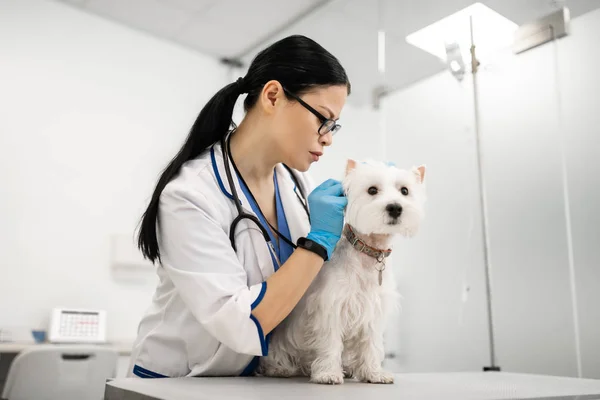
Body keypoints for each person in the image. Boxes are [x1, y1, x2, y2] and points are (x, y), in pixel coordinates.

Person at [128, 35, 351, 378]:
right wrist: (319, 241)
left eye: (333, 126)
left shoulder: (296, 185)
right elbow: (240, 320)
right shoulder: (190, 195)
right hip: (175, 383)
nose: (328, 137)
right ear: (273, 96)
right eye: (323, 118)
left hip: (249, 381)